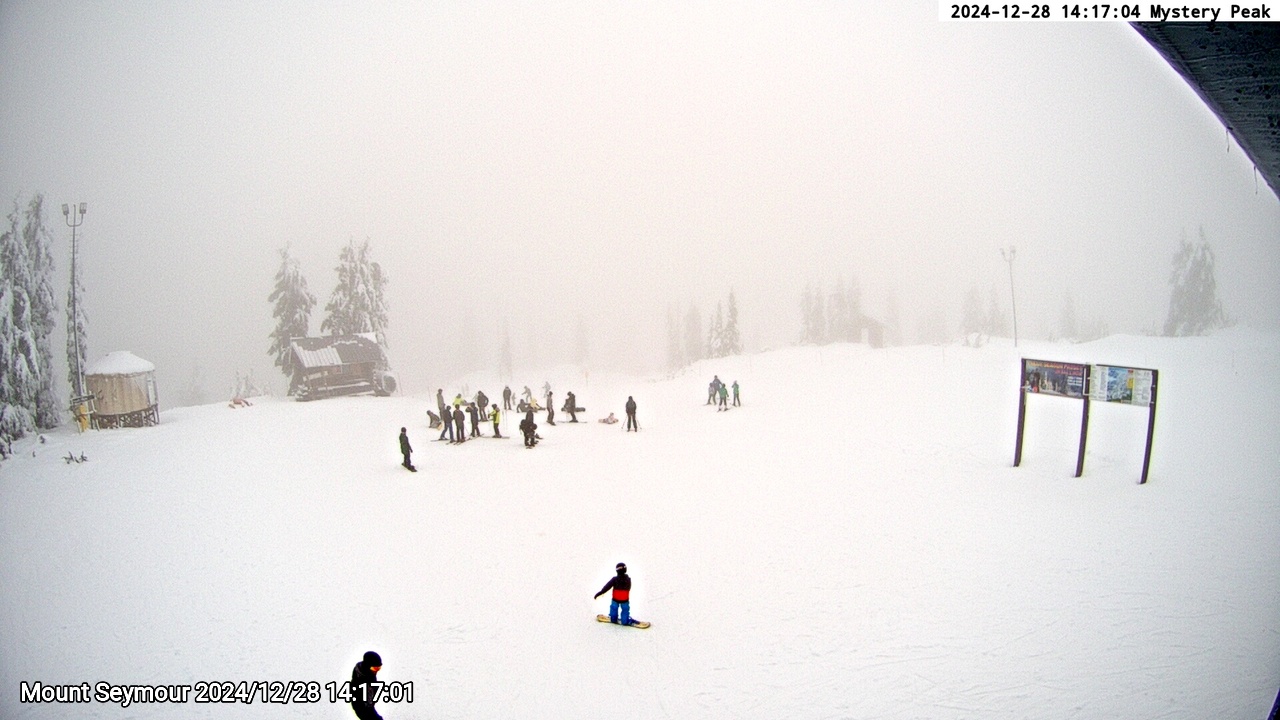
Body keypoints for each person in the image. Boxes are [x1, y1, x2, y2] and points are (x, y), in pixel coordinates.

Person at [349, 650, 383, 720]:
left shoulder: (367, 672)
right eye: (374, 668)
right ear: (367, 666)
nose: (376, 671)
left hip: (369, 703)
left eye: (378, 668)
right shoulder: (361, 680)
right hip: (363, 707)